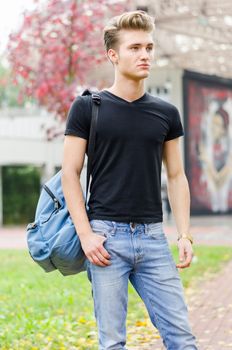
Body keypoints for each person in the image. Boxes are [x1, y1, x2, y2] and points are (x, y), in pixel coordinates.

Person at [61, 10, 198, 350]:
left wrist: (184, 233)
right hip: (105, 240)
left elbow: (177, 176)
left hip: (153, 238)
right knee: (113, 343)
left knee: (182, 338)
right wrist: (86, 234)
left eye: (149, 47)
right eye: (135, 47)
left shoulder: (166, 113)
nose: (145, 55)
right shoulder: (87, 108)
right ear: (113, 54)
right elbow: (69, 173)